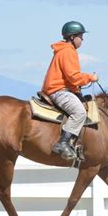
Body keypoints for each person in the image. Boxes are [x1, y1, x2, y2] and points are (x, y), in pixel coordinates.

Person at [42, 21, 98, 160]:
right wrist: (91, 77)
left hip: (62, 88)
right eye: (81, 36)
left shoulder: (65, 50)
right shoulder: (68, 51)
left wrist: (78, 92)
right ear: (72, 37)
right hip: (59, 90)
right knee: (79, 112)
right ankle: (63, 143)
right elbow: (73, 77)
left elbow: (70, 79)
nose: (82, 40)